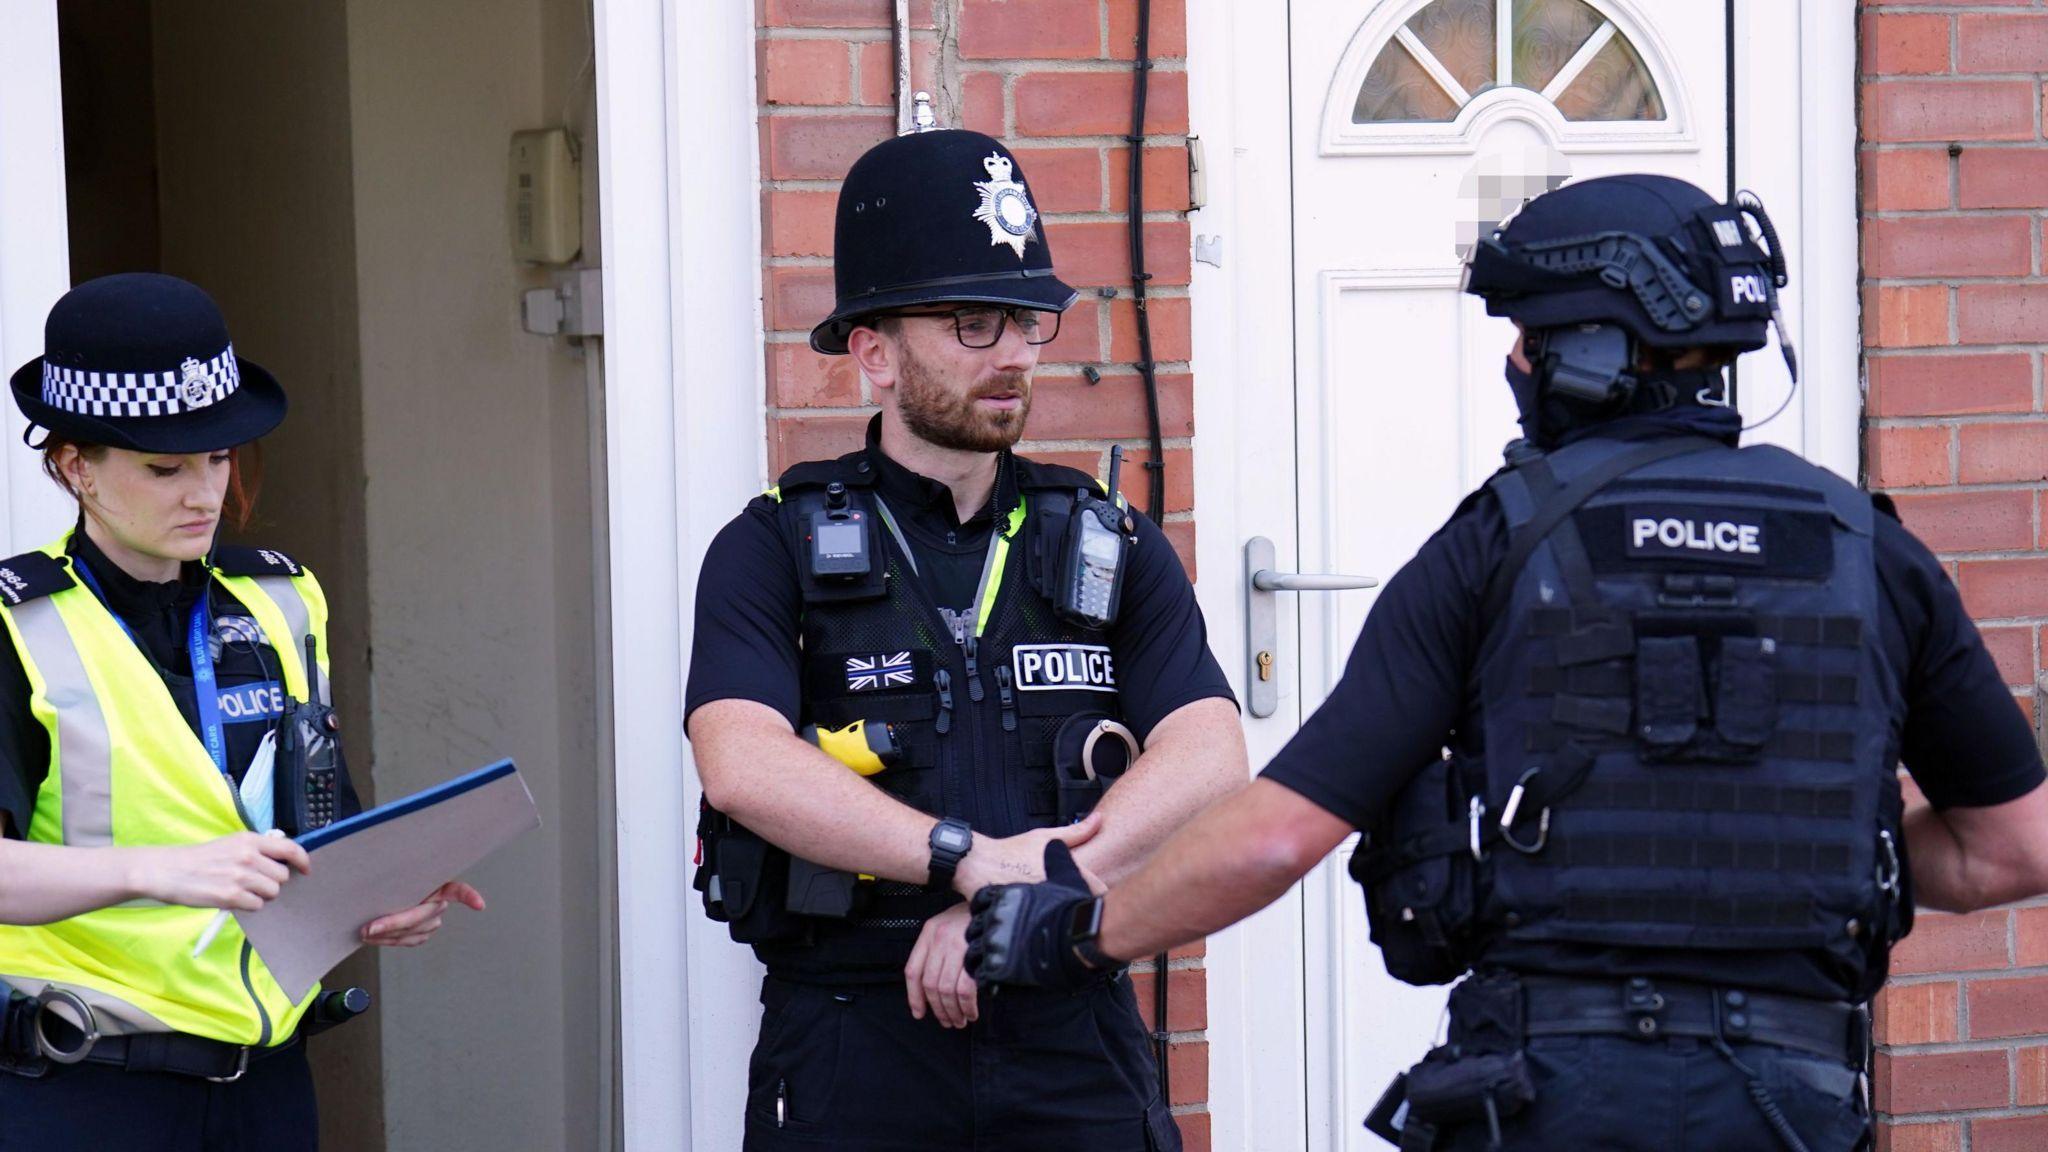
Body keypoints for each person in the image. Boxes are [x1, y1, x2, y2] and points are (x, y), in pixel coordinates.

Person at [966, 174, 2048, 1152]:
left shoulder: (1496, 544)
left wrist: (1085, 931)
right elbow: (2009, 850)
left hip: (1553, 1093)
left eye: (1527, 339)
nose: (1513, 364)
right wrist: (1803, 841)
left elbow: (1281, 832)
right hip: (1794, 1096)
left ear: (1588, 357)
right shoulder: (1871, 549)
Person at [685, 124, 1246, 1151]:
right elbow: (740, 763)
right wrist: (958, 861)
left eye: (1027, 324)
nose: (1014, 359)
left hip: (1069, 1018)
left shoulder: (1106, 540)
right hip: (856, 1034)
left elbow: (1208, 751)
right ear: (873, 354)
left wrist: (1039, 879)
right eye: (972, 324)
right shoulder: (771, 545)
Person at [0, 273, 486, 1150]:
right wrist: (163, 870)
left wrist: (380, 891)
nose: (204, 492)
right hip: (82, 1087)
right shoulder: (15, 625)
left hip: (265, 1085)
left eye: (219, 456)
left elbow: (310, 817)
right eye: (164, 467)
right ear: (76, 466)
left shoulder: (283, 600)